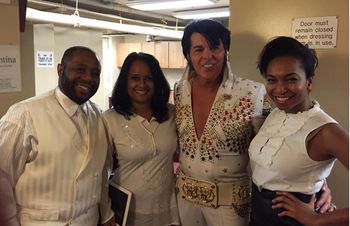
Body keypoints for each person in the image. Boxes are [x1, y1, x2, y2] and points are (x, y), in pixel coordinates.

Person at [0, 46, 114, 226]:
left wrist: (106, 212)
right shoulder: (25, 114)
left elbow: (100, 174)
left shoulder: (98, 115)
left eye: (95, 73)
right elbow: (2, 177)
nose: (88, 78)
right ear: (60, 70)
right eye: (80, 69)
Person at [173, 19, 266, 226]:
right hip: (185, 202)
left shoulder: (254, 93)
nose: (208, 56)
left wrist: (319, 182)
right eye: (198, 49)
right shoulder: (179, 90)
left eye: (215, 47)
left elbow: (274, 144)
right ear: (188, 55)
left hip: (231, 207)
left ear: (226, 51)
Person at [249, 36, 349, 226]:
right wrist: (319, 183)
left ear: (309, 82)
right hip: (259, 217)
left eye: (291, 79)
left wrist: (318, 219)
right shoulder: (277, 114)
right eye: (271, 80)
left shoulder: (326, 131)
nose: (280, 89)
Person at [103, 52, 180, 226]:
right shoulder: (110, 119)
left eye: (149, 78)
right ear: (125, 82)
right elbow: (100, 172)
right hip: (128, 214)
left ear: (157, 81)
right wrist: (106, 211)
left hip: (169, 212)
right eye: (135, 78)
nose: (142, 84)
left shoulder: (172, 114)